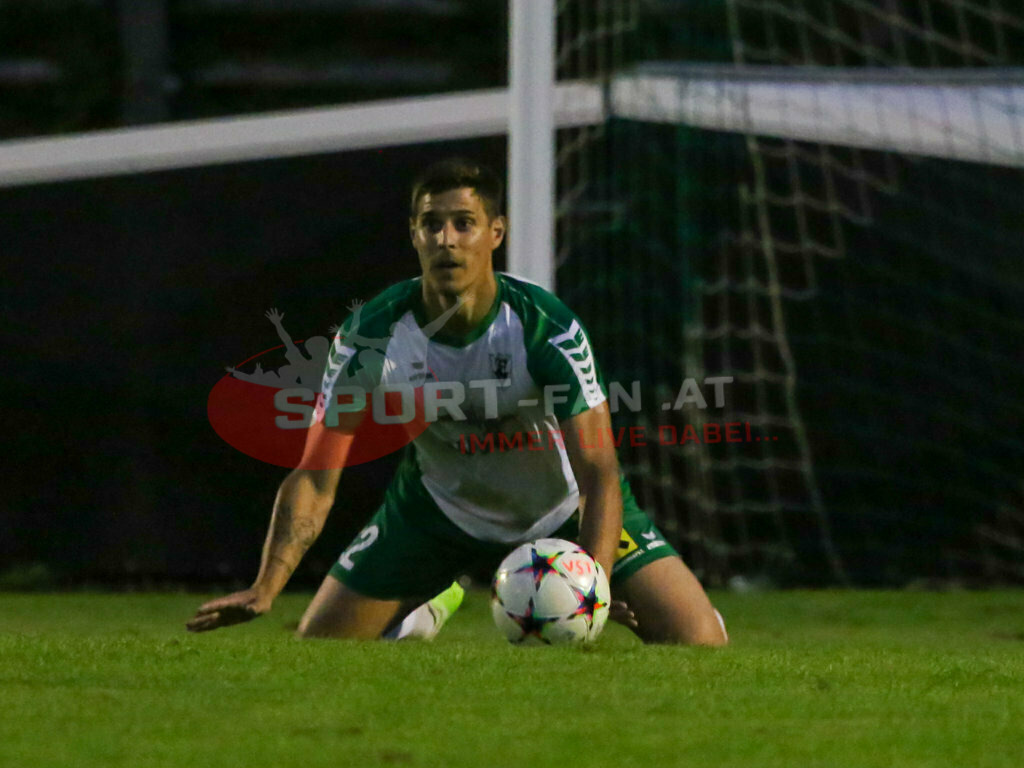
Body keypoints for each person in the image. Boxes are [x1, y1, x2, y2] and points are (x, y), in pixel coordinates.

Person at [187, 158, 727, 645]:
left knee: (698, 640)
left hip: (559, 514)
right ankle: (431, 600)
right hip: (435, 516)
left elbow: (598, 473)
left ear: (496, 233)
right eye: (432, 224)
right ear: (414, 234)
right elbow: (315, 475)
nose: (447, 239)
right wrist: (266, 585)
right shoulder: (370, 336)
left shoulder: (546, 328)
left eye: (464, 223)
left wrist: (592, 588)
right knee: (322, 644)